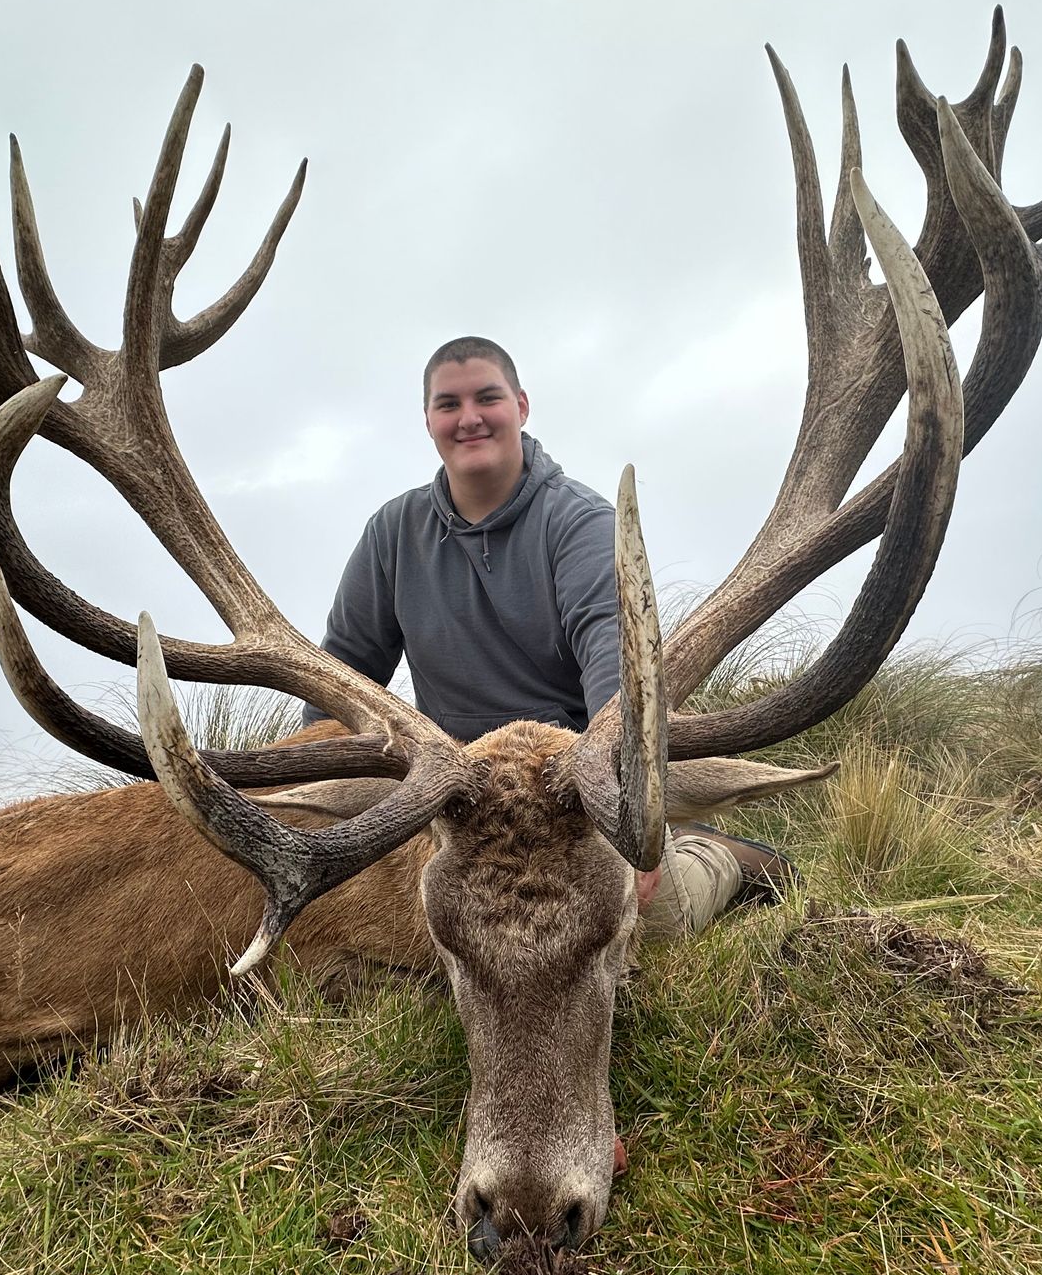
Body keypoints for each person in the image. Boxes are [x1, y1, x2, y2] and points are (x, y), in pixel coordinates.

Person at [304, 335, 793, 938]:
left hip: (569, 792)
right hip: (455, 794)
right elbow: (343, 672)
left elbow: (615, 673)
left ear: (522, 405)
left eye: (488, 398)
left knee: (651, 928)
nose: (470, 418)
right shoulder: (392, 533)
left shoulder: (580, 524)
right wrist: (309, 784)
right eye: (449, 404)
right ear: (428, 419)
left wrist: (619, 815)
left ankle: (724, 862)